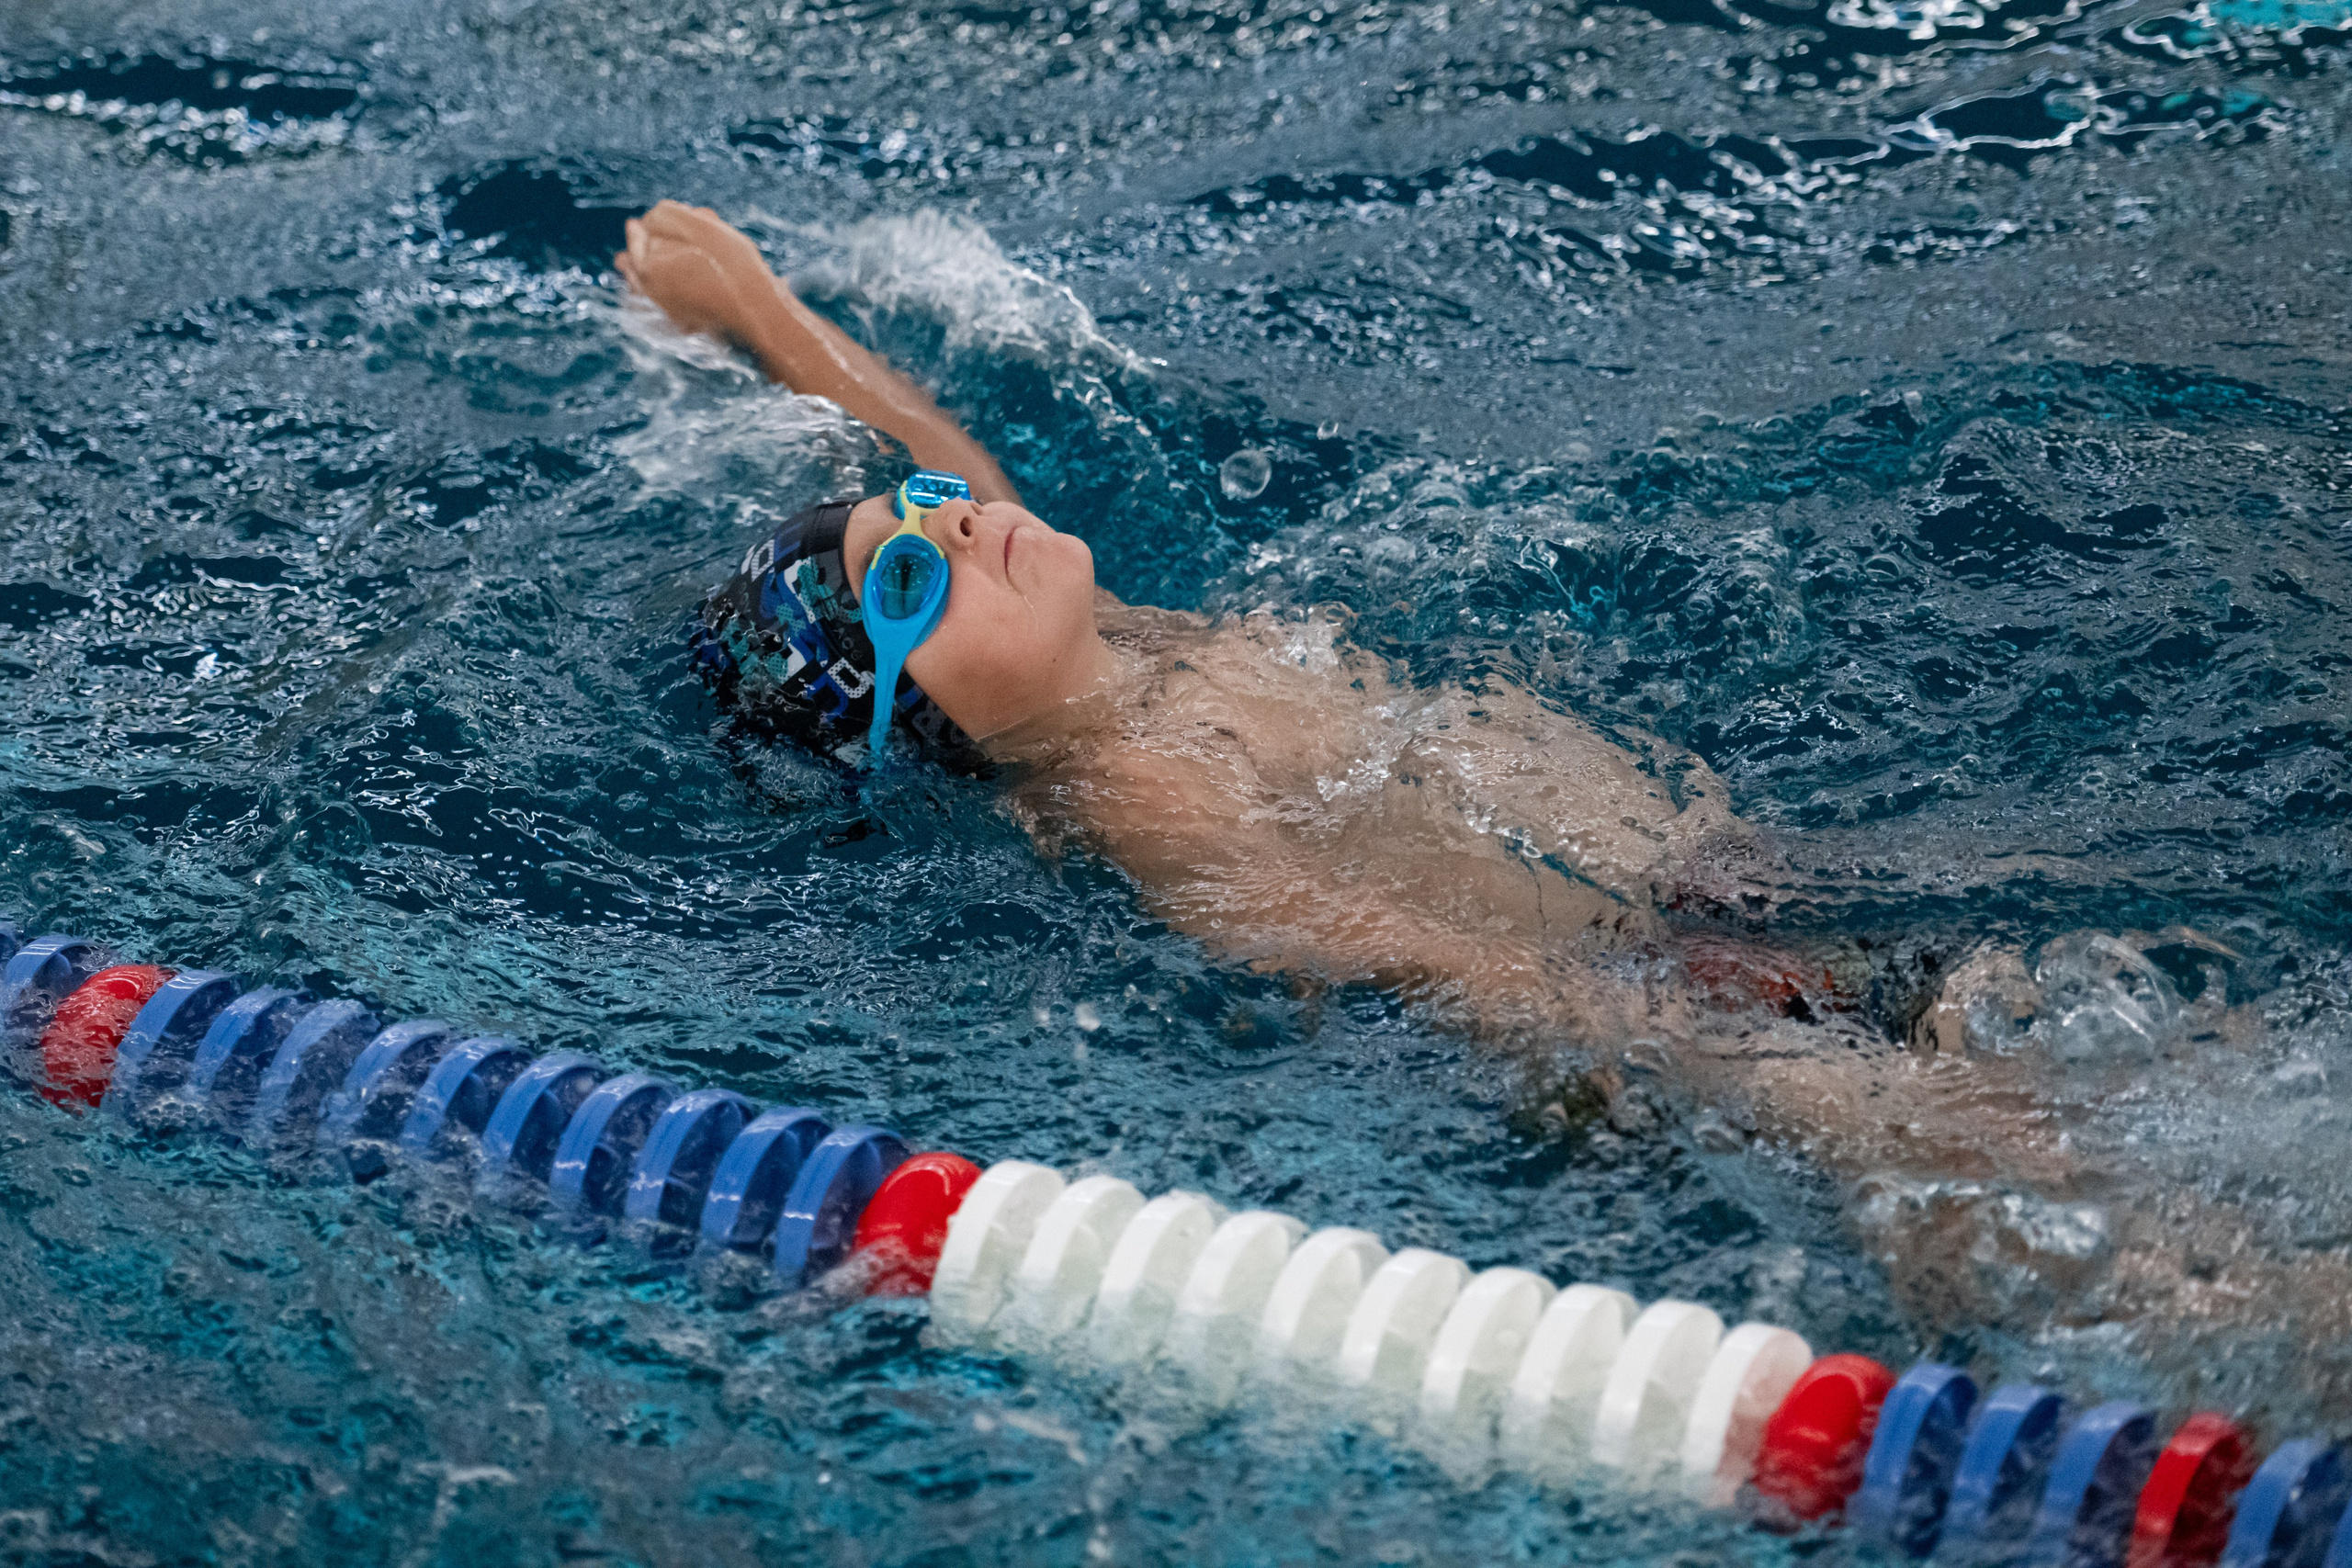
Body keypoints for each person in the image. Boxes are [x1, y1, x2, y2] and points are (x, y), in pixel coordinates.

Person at [616, 202, 2348, 1404]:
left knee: (2137, 1061)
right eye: (910, 581)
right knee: (2036, 1193)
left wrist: (765, 317)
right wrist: (1730, 1054)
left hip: (1723, 896)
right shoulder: (1143, 800)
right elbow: (1445, 976)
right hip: (1672, 1012)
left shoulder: (1099, 642)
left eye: (912, 512)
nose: (949, 529)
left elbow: (945, 462)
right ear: (938, 737)